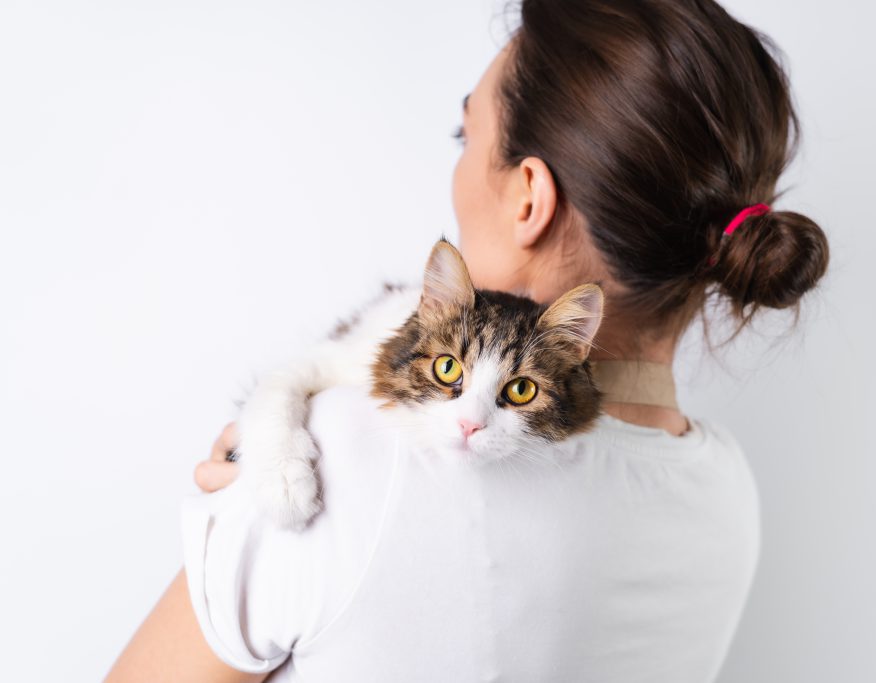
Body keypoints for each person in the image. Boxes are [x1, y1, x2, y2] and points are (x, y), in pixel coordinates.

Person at [106, 0, 828, 680]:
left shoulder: (344, 461)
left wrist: (250, 521)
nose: (455, 171)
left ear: (529, 200)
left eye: (466, 135)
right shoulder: (728, 492)